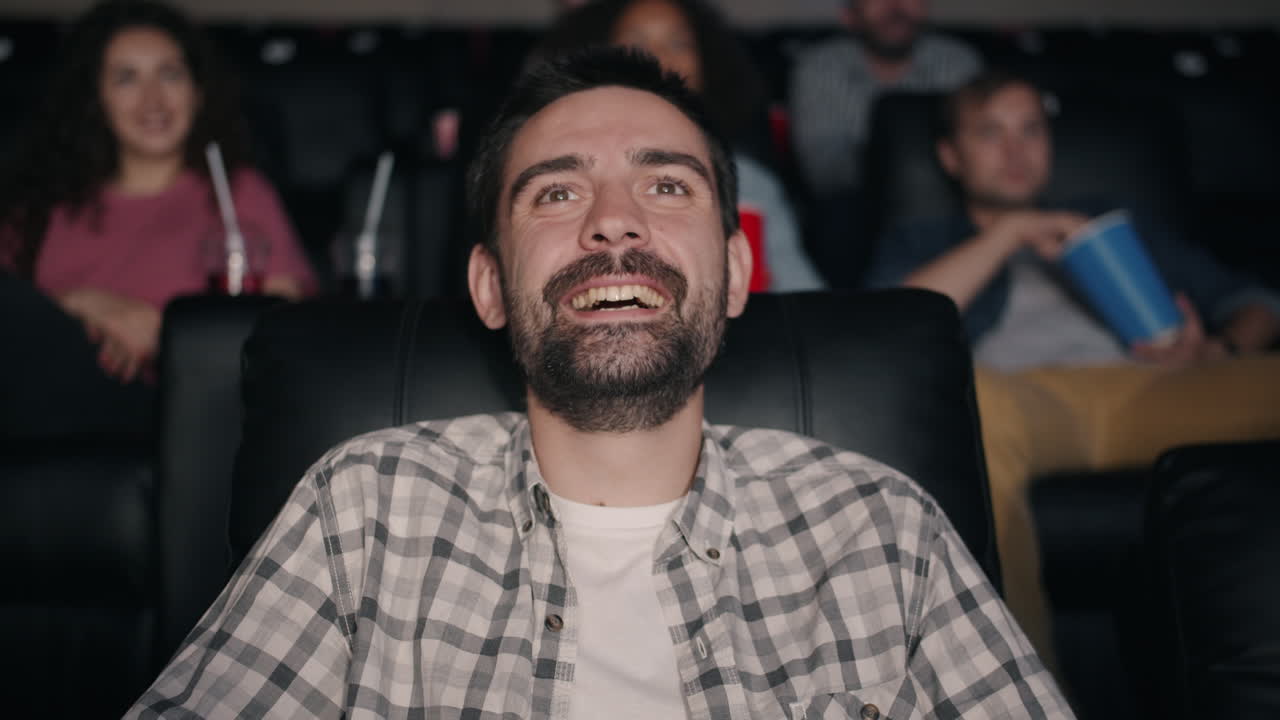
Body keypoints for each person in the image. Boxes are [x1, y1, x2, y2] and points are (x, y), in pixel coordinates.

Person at [126, 48, 1071, 718]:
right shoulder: (365, 509)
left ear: (740, 274)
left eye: (666, 188)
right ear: (490, 286)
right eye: (559, 192)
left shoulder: (879, 529)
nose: (614, 225)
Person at [866, 69, 1280, 671]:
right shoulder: (924, 237)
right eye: (991, 133)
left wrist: (1224, 348)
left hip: (1153, 388)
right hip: (1028, 401)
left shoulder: (1107, 221)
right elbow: (889, 323)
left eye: (1031, 130)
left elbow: (1256, 301)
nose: (1015, 151)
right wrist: (1009, 234)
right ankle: (1018, 692)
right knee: (977, 402)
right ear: (950, 157)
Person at [0, 0, 315, 438]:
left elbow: (287, 321)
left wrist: (165, 337)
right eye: (126, 77)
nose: (153, 99)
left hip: (182, 420)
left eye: (170, 74)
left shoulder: (237, 192)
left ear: (197, 90)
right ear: (95, 98)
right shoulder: (45, 203)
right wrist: (80, 306)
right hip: (40, 418)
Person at [536, 0, 824, 292]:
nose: (658, 57)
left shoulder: (751, 184)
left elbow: (805, 298)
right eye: (637, 41)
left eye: (677, 43)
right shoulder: (558, 176)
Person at [788, 0, 980, 198]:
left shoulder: (958, 63)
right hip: (852, 204)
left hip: (949, 198)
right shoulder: (821, 67)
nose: (895, 6)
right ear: (849, 15)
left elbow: (978, 158)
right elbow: (822, 171)